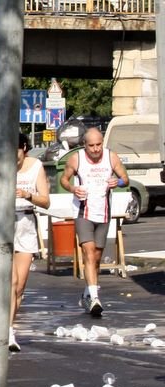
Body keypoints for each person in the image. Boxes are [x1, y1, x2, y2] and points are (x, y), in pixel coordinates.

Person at [0, 133, 50, 351]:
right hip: (3, 224)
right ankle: (6, 331)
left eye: (16, 152)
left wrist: (27, 194)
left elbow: (46, 201)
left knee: (19, 287)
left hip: (25, 223)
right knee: (11, 282)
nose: (13, 158)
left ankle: (7, 326)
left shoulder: (36, 166)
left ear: (24, 148)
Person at [59, 128, 128, 317]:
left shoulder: (111, 157)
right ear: (84, 145)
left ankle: (87, 293)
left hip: (104, 212)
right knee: (88, 253)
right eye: (91, 146)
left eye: (99, 145)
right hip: (83, 211)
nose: (96, 149)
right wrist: (73, 188)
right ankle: (95, 298)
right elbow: (64, 179)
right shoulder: (76, 159)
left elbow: (125, 179)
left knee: (96, 257)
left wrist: (118, 183)